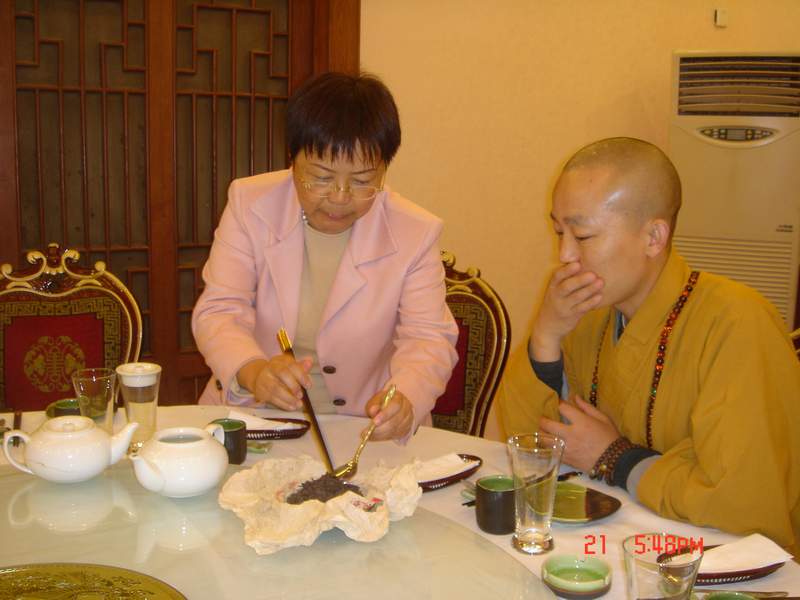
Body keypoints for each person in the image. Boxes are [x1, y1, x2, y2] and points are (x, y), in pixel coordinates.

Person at [498, 137, 800, 553]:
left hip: (712, 564)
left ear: (654, 236)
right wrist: (546, 336)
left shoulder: (737, 323)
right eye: (559, 232)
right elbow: (530, 448)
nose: (565, 255)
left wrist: (617, 458)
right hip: (613, 546)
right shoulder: (590, 315)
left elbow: (743, 503)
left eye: (582, 235)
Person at [192, 72, 458, 442]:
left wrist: (405, 398)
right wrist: (254, 371)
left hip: (364, 430)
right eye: (320, 177)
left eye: (362, 181)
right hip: (254, 416)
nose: (340, 196)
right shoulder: (249, 204)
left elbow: (427, 338)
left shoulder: (415, 231)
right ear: (293, 159)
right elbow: (220, 310)